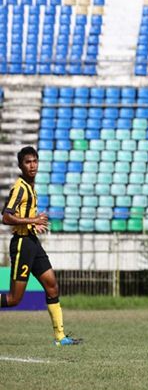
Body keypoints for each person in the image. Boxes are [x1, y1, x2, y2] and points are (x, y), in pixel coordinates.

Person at [0, 146, 81, 346]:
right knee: (14, 299)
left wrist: (33, 224)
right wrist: (32, 219)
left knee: (52, 286)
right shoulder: (19, 187)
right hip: (22, 245)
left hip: (33, 243)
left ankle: (60, 337)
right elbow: (6, 217)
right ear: (20, 165)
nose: (32, 165)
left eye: (35, 161)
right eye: (28, 162)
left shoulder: (31, 187)